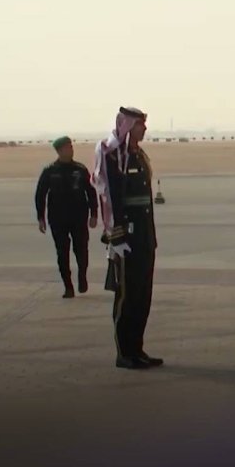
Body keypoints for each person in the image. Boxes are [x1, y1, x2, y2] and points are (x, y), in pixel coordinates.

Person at [95, 106, 163, 370]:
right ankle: (124, 352)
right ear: (127, 126)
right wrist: (117, 236)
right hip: (126, 239)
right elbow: (109, 198)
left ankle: (137, 348)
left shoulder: (138, 155)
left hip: (144, 237)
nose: (144, 129)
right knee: (127, 296)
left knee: (143, 295)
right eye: (139, 125)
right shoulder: (113, 155)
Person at [34, 136, 98, 298]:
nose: (71, 150)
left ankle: (82, 276)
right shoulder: (50, 171)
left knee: (81, 250)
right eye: (68, 147)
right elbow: (40, 194)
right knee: (62, 253)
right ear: (59, 151)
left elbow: (91, 192)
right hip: (58, 219)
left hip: (79, 217)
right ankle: (68, 287)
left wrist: (94, 214)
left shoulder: (80, 169)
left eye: (71, 147)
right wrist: (40, 217)